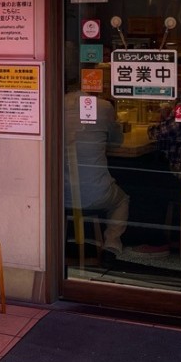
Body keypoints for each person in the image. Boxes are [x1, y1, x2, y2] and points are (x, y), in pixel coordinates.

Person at [64, 87, 130, 263]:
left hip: (57, 196)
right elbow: (117, 141)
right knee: (122, 200)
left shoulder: (52, 105)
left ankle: (62, 241)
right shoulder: (104, 106)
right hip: (96, 193)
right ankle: (111, 244)